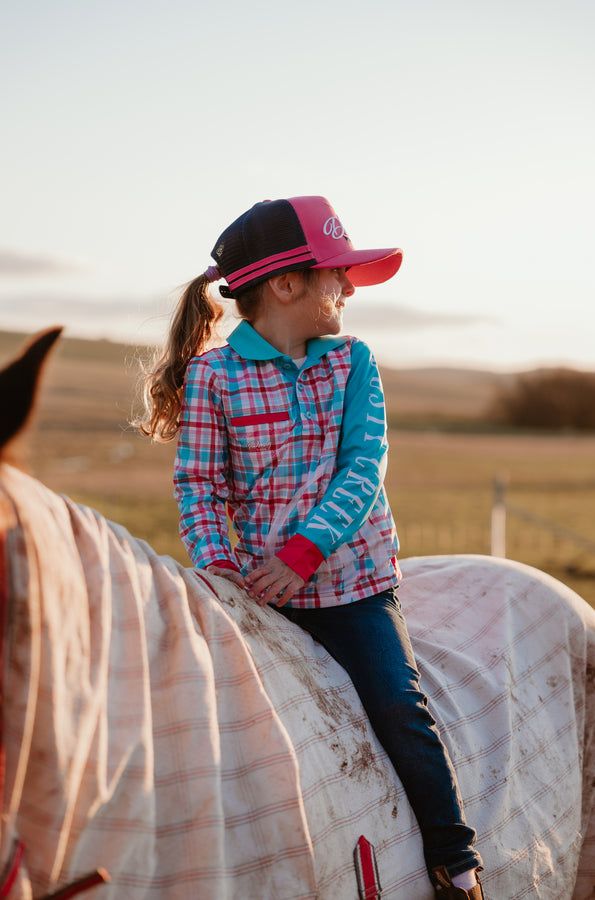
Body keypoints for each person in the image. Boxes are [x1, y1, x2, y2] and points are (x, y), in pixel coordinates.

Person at [137, 195, 485, 899]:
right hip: (257, 599)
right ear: (285, 284)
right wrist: (219, 571)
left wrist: (301, 553)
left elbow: (365, 467)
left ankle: (455, 860)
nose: (349, 287)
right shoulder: (213, 378)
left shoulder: (353, 363)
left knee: (397, 705)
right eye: (336, 273)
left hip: (353, 588)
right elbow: (200, 485)